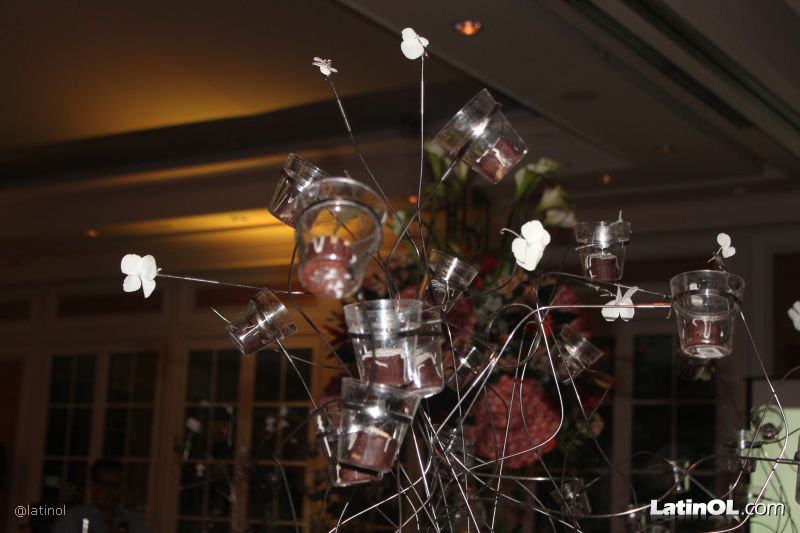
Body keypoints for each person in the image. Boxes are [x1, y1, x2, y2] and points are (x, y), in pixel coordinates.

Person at [51, 460, 151, 533]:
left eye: (115, 485)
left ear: (121, 489)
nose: (109, 491)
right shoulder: (72, 519)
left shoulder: (134, 522)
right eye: (104, 485)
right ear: (93, 486)